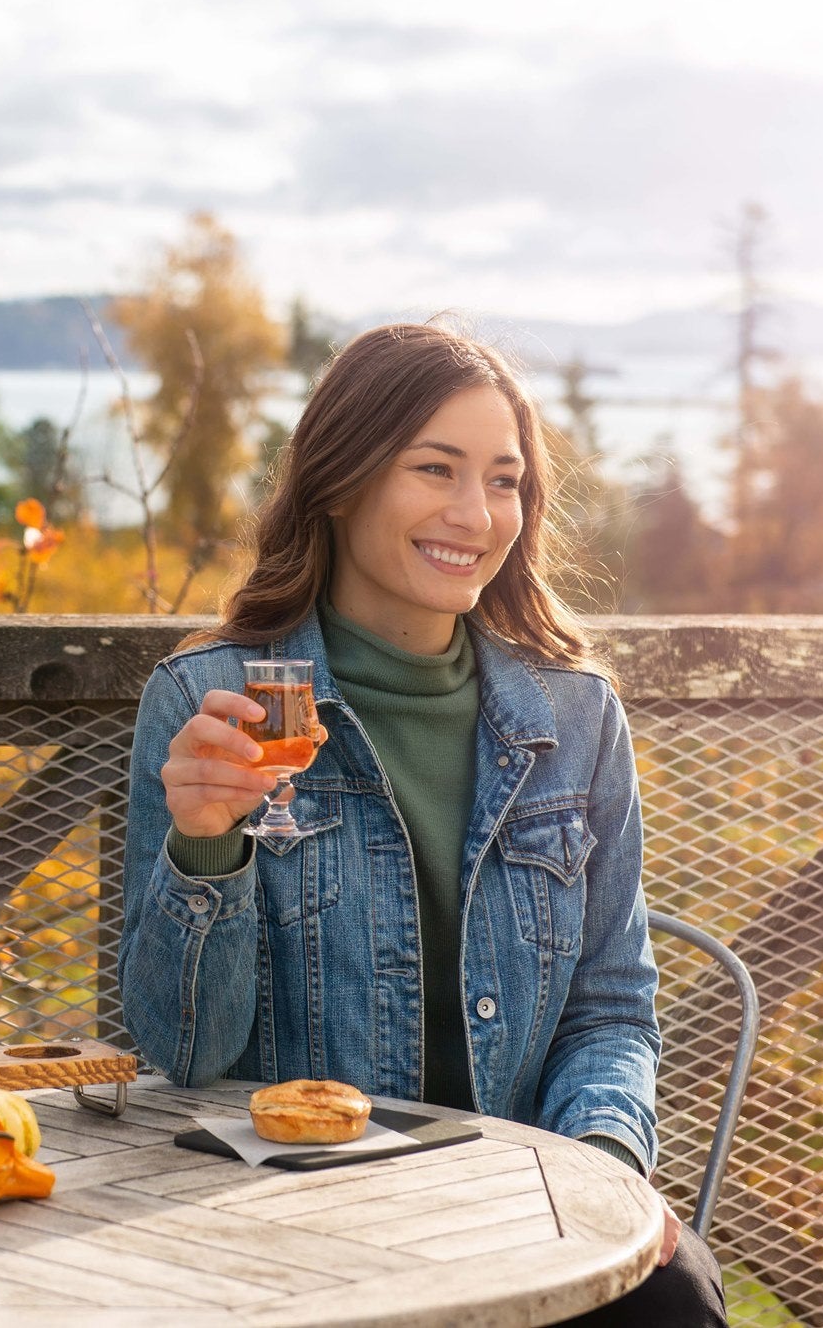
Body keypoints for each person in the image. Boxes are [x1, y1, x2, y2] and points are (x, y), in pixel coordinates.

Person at [118, 322, 725, 1324]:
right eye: (433, 469)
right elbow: (182, 1053)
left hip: (523, 1204)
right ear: (340, 477)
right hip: (294, 1218)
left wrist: (600, 1173)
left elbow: (610, 1010)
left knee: (674, 1302)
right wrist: (206, 845)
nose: (473, 514)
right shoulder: (214, 700)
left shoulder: (572, 716)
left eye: (503, 479)